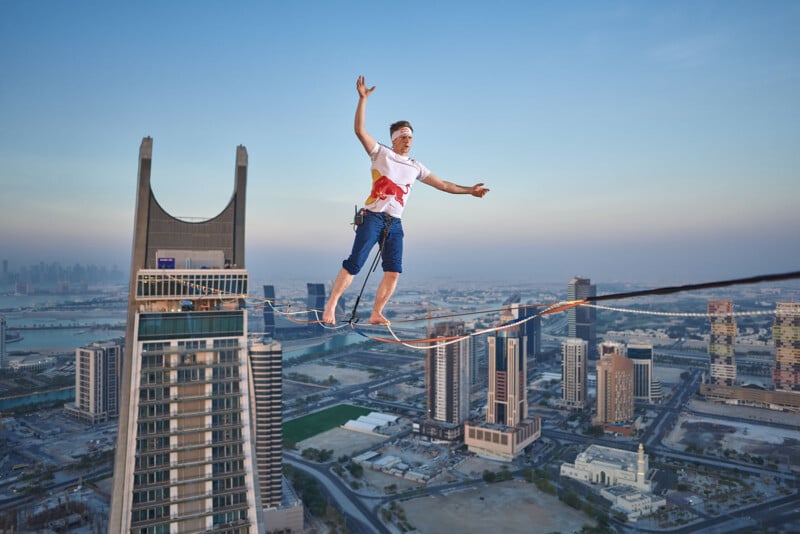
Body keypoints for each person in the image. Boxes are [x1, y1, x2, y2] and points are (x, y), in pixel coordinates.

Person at [322, 75, 489, 325]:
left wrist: (470, 191)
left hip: (395, 223)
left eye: (410, 137)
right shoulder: (381, 153)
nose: (408, 140)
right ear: (394, 139)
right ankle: (331, 306)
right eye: (403, 136)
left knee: (394, 271)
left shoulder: (416, 166)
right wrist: (363, 99)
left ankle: (376, 313)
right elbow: (359, 130)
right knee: (355, 263)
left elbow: (444, 185)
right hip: (373, 218)